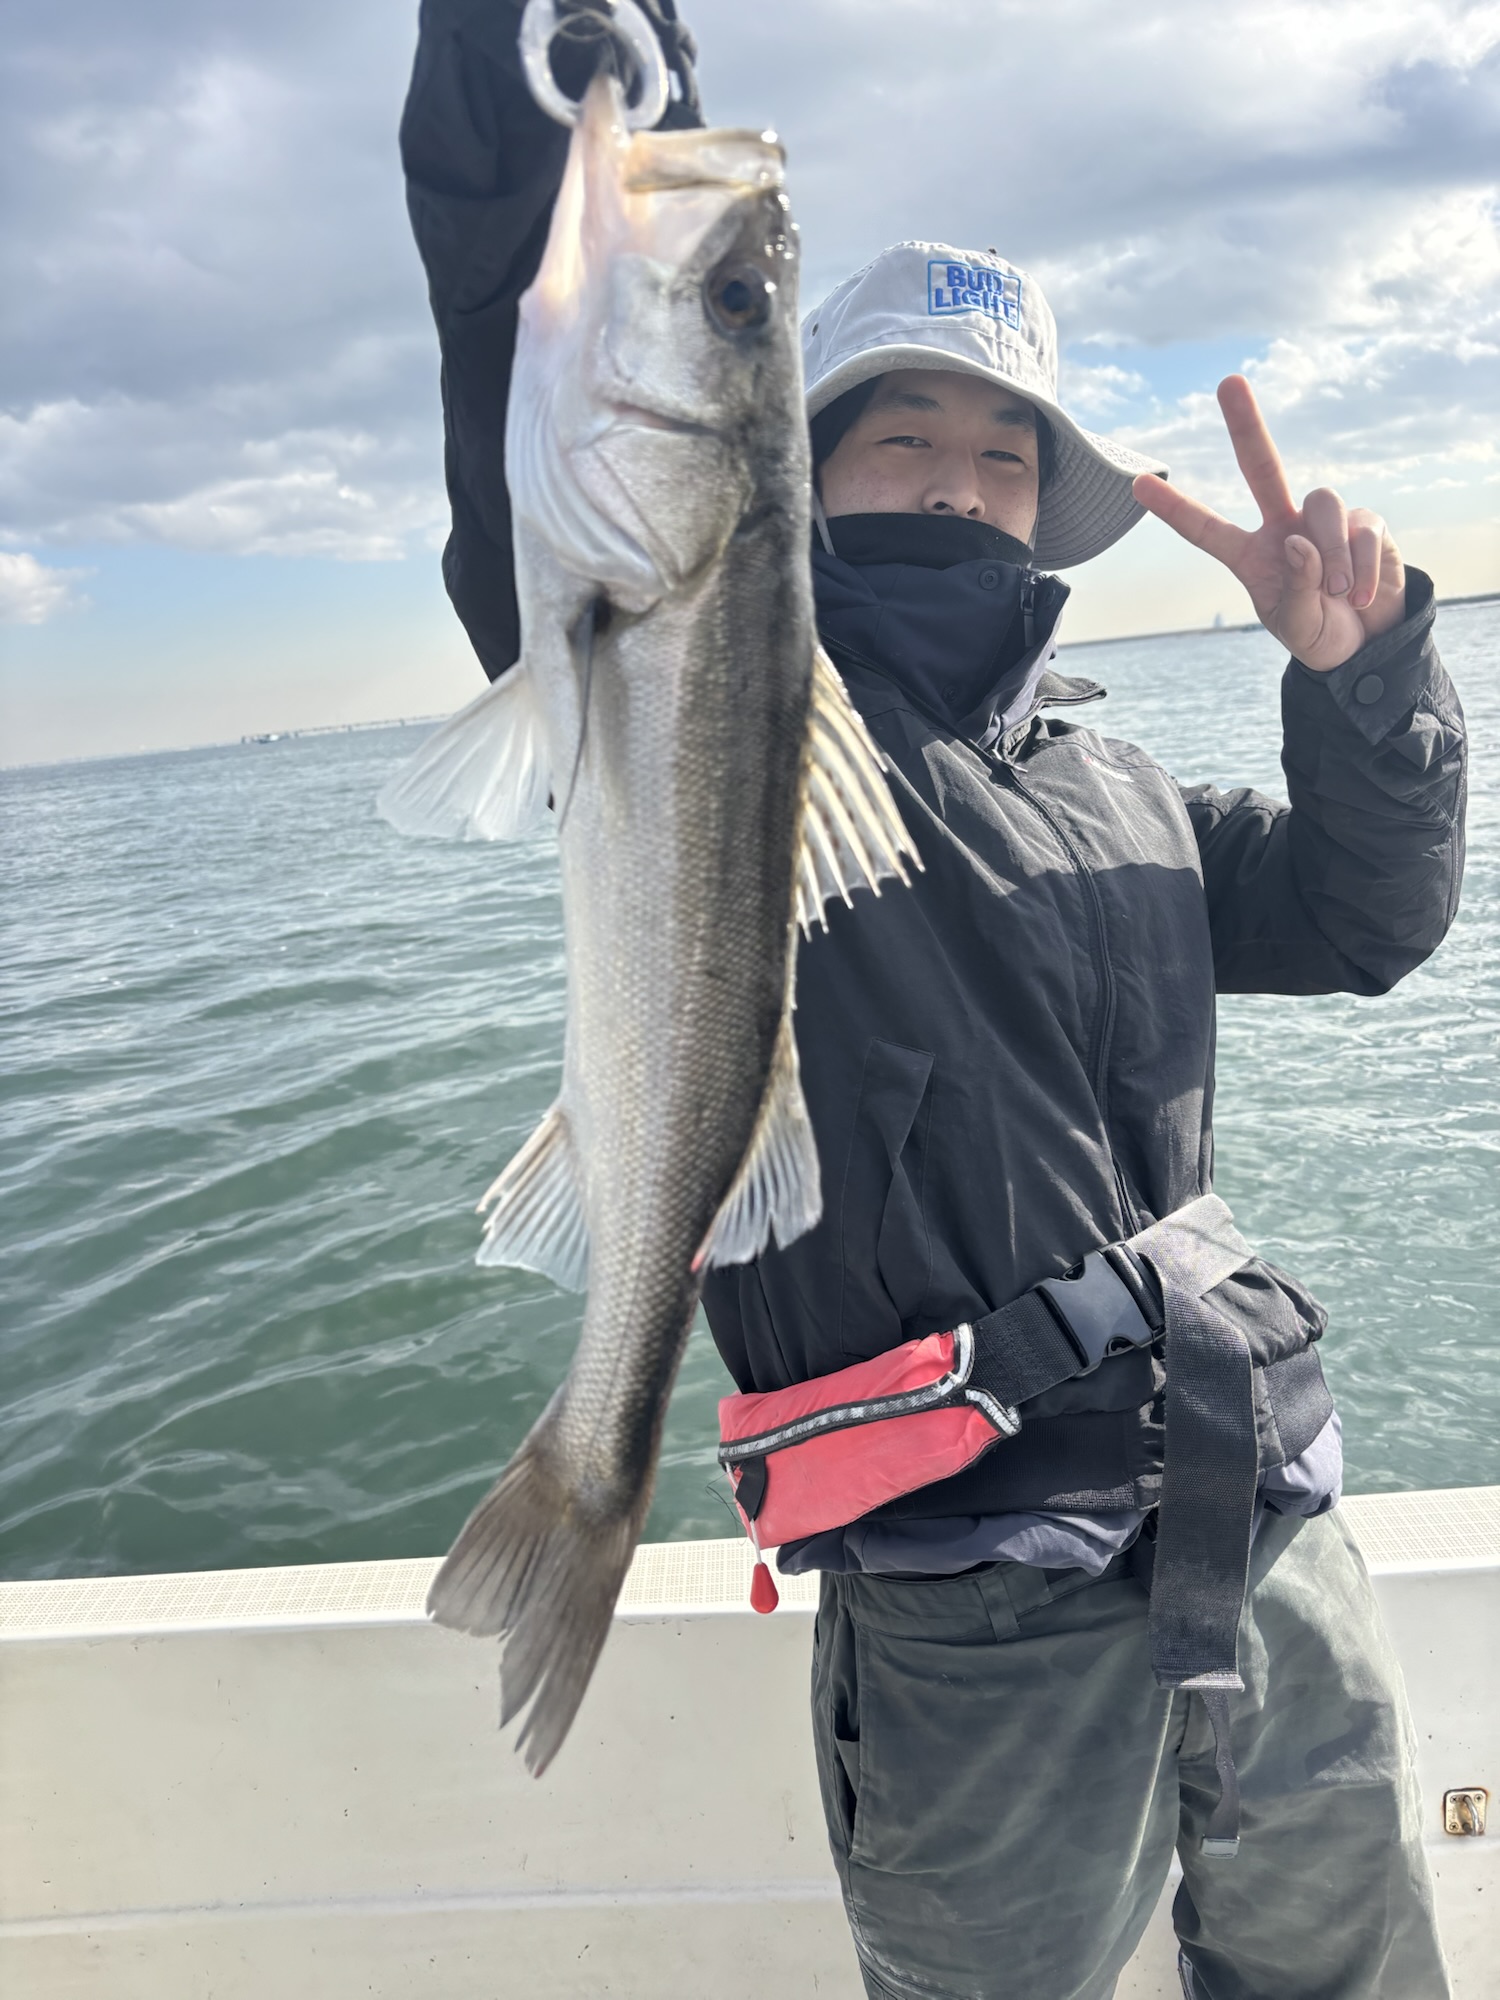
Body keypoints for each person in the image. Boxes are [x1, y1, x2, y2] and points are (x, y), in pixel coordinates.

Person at [401, 8, 1467, 1996]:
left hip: (1263, 1509)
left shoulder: (1116, 778)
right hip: (974, 1599)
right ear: (795, 464)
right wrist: (552, 73)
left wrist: (1365, 680)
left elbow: (1362, 916)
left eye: (1005, 453)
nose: (962, 484)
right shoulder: (712, 676)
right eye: (905, 433)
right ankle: (586, 1466)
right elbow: (544, 354)